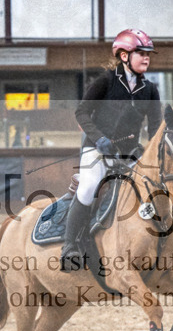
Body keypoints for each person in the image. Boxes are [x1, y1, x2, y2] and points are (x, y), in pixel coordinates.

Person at [61, 29, 163, 271]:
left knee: (147, 190)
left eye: (149, 54)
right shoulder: (105, 81)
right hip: (96, 149)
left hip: (129, 153)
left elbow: (156, 128)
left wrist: (150, 153)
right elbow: (82, 113)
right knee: (87, 189)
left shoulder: (150, 90)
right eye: (141, 53)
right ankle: (69, 247)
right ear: (124, 56)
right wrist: (99, 139)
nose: (147, 57)